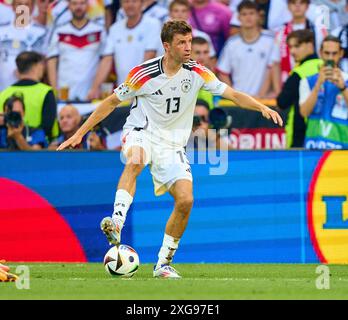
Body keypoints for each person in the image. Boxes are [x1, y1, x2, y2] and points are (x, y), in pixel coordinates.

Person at [57, 20, 283, 278]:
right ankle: (116, 222)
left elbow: (232, 94)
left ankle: (162, 264)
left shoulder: (198, 72)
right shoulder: (143, 74)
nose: (189, 48)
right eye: (182, 43)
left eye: (189, 41)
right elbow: (110, 103)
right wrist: (79, 133)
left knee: (186, 200)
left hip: (172, 143)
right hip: (141, 131)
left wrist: (262, 107)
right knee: (136, 160)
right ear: (167, 46)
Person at [87, 0, 161, 100]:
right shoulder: (115, 28)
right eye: (126, 1)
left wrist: (133, 88)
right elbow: (107, 60)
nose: (130, 5)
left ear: (142, 4)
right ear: (121, 5)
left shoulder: (153, 24)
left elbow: (149, 58)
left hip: (149, 91)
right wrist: (94, 88)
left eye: (134, 2)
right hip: (125, 93)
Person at [47, 0, 107, 101]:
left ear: (87, 5)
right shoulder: (59, 31)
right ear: (69, 6)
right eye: (74, 3)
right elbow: (51, 61)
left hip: (90, 95)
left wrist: (96, 87)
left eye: (82, 3)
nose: (78, 7)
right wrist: (54, 89)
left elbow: (106, 59)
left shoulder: (99, 30)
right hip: (64, 94)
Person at [217, 0, 275, 97]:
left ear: (258, 16)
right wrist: (234, 95)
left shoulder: (270, 40)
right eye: (244, 14)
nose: (248, 17)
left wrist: (261, 96)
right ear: (239, 17)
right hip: (239, 101)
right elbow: (223, 72)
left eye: (251, 13)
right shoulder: (231, 43)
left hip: (264, 100)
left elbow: (273, 70)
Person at [299, 36, 348, 149]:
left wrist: (343, 87)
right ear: (320, 53)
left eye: (334, 53)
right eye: (327, 53)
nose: (330, 57)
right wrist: (317, 85)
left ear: (341, 53)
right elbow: (304, 112)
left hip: (342, 146)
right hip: (314, 146)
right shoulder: (307, 81)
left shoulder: (346, 80)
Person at [277, 29, 322, 148]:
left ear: (310, 44)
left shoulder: (299, 72)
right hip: (324, 131)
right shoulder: (326, 68)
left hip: (301, 132)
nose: (292, 51)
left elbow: (282, 102)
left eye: (297, 46)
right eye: (290, 47)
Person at [0, 51, 57, 140]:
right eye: (42, 65)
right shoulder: (46, 92)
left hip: (7, 147)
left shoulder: (3, 94)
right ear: (36, 66)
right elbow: (48, 127)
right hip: (38, 148)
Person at [271, 0, 328, 89]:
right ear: (288, 6)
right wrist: (278, 91)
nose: (297, 6)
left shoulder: (318, 30)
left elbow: (325, 58)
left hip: (314, 83)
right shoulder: (281, 32)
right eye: (293, 3)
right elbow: (275, 64)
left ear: (307, 6)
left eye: (301, 2)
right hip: (289, 84)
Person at [0, 0, 47, 91]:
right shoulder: (1, 31)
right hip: (3, 88)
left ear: (33, 8)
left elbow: (45, 62)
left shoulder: (41, 33)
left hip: (31, 89)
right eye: (19, 4)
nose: (23, 9)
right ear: (13, 7)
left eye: (27, 5)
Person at [191, 37, 215, 109]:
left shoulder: (212, 76)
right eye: (197, 52)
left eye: (205, 52)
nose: (202, 57)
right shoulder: (181, 76)